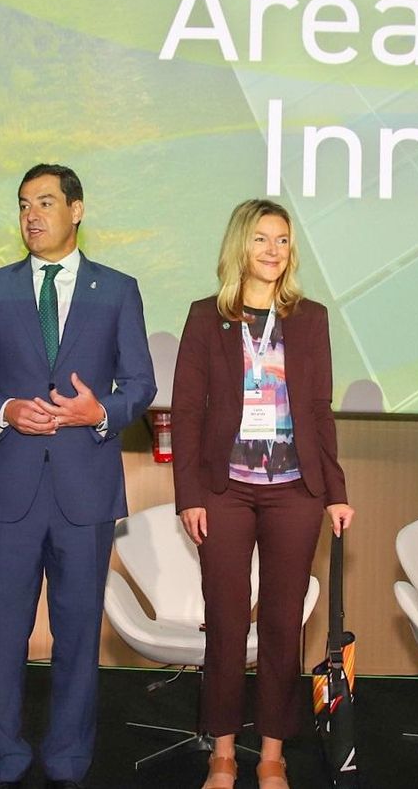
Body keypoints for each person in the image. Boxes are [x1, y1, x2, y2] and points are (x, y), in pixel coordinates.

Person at [0, 163, 156, 789]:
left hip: (84, 490)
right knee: (1, 636)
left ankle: (68, 759)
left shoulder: (117, 290)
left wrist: (101, 413)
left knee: (77, 635)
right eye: (23, 205)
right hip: (6, 489)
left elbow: (141, 384)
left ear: (76, 209)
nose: (31, 216)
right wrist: (7, 410)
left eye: (44, 202)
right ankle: (5, 756)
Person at [171, 199, 353, 789]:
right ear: (239, 246)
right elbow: (187, 411)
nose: (273, 250)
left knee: (282, 625)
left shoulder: (310, 318)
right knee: (225, 624)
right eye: (261, 239)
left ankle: (272, 754)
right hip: (224, 492)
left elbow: (320, 410)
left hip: (295, 492)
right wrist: (189, 494)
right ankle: (222, 753)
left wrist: (335, 491)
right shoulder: (206, 317)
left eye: (282, 240)